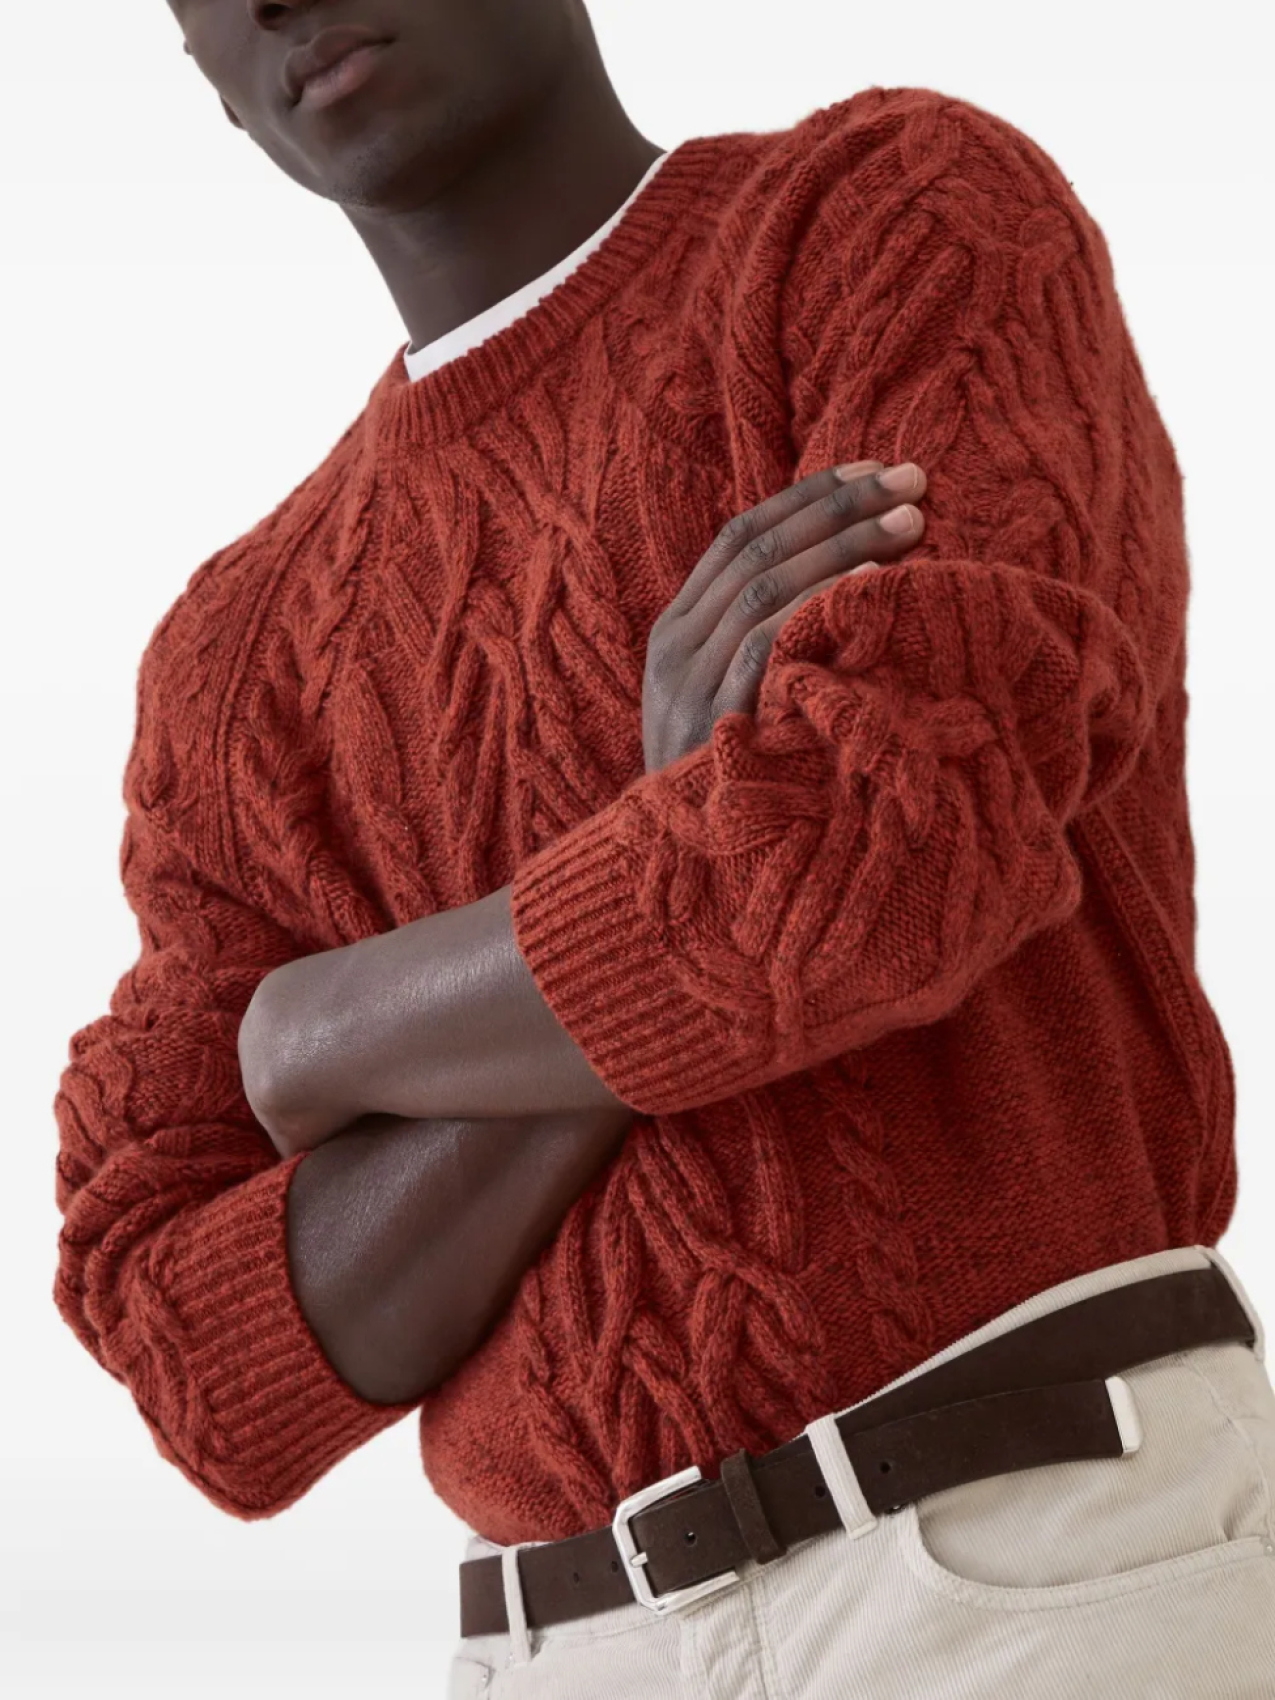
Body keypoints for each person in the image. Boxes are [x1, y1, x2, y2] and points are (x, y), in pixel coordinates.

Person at [53, 3, 1275, 1695]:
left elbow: (886, 852)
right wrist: (669, 845)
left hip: (1028, 1550)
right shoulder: (234, 660)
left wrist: (320, 1029)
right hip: (558, 1643)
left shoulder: (892, 218)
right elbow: (199, 1355)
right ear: (201, 78)